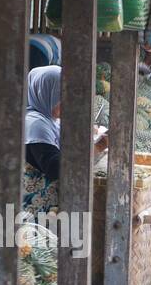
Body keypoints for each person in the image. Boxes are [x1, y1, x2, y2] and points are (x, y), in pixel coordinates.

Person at [23, 65, 108, 213]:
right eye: (60, 97)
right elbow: (56, 168)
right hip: (36, 211)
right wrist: (98, 147)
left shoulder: (50, 118)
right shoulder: (36, 124)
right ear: (44, 93)